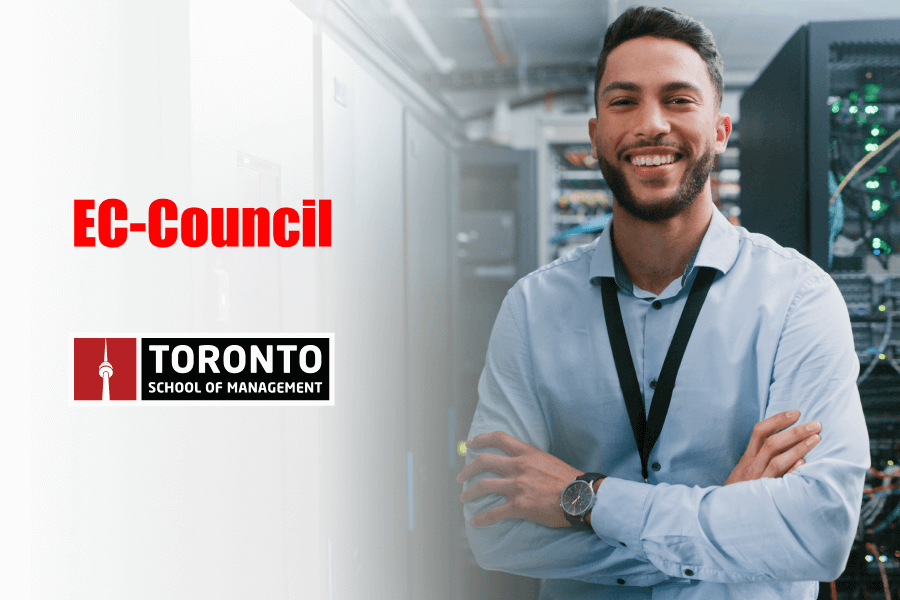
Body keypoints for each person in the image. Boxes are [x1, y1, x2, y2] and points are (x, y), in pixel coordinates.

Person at [458, 6, 869, 599]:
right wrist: (730, 523)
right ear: (596, 133)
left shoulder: (799, 301)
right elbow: (494, 532)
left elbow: (819, 535)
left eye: (679, 99)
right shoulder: (532, 309)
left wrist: (585, 499)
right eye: (624, 101)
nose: (652, 124)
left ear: (721, 129)